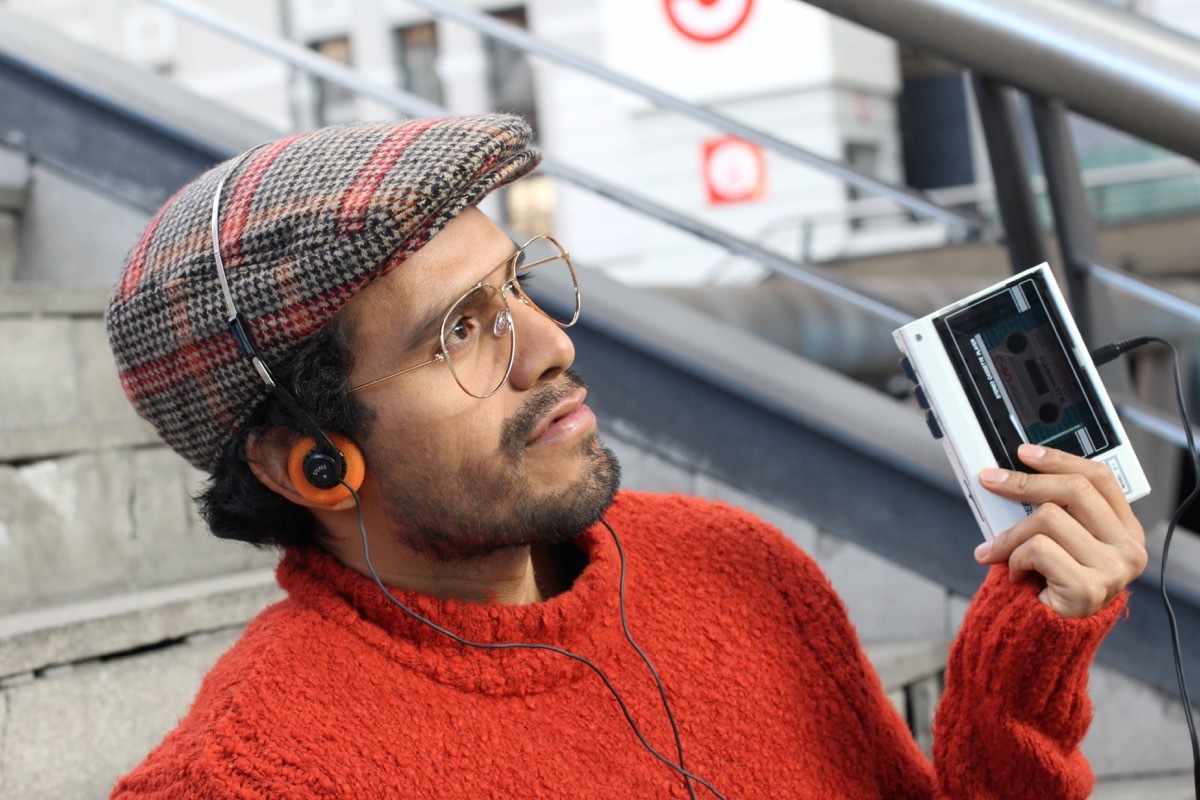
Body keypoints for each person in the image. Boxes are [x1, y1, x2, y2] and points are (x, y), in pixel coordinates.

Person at [105, 114, 1147, 799]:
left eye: (516, 286)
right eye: (460, 331)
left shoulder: (736, 566)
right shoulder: (248, 776)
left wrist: (1024, 656)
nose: (552, 348)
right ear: (308, 463)